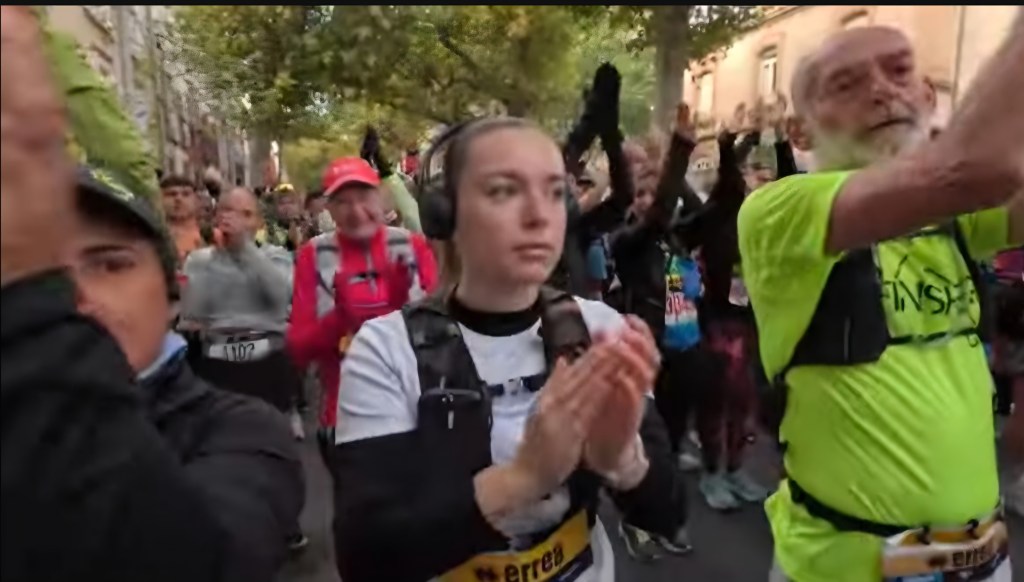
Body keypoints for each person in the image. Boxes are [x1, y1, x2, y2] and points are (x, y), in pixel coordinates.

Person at [1, 9, 300, 581]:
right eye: (49, 270)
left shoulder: (243, 435)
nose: (71, 297)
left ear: (166, 293)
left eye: (109, 263)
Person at [332, 116, 686, 581]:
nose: (539, 215)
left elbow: (668, 513)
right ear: (446, 213)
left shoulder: (599, 328)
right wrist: (522, 479)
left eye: (555, 193)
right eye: (503, 191)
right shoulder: (385, 350)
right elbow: (365, 558)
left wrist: (624, 462)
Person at [738, 20, 1024, 581]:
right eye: (845, 84)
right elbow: (978, 168)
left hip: (983, 558)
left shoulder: (954, 219)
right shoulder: (777, 211)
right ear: (800, 131)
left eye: (899, 71)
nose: (880, 91)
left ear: (927, 97)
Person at [286, 155, 438, 471]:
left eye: (364, 197)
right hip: (346, 417)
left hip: (420, 411)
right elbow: (298, 349)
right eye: (343, 202)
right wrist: (341, 318)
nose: (356, 211)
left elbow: (447, 330)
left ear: (381, 196)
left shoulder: (412, 247)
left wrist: (402, 312)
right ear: (328, 209)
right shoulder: (314, 255)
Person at [181, 187, 297, 412]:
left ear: (259, 223)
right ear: (216, 217)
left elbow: (281, 297)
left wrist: (243, 247)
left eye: (246, 214)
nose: (235, 219)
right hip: (217, 360)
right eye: (227, 210)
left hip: (267, 359)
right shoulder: (198, 261)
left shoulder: (276, 257)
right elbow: (193, 315)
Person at [160, 174, 205, 267]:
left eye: (186, 194)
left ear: (197, 201)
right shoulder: (149, 236)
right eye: (172, 194)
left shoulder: (211, 235)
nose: (178, 198)